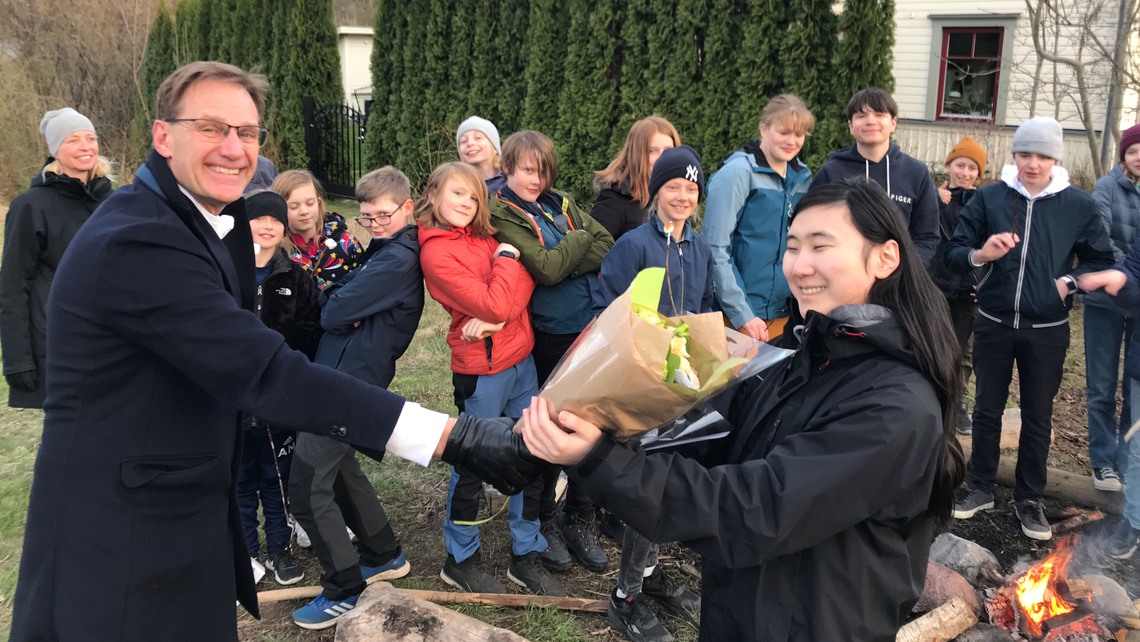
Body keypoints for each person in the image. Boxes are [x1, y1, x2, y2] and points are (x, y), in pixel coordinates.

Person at [10, 61, 543, 642]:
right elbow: (262, 369)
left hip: (179, 510)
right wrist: (454, 437)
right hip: (121, 539)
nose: (233, 148)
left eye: (247, 132)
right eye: (211, 127)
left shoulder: (204, 219)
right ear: (164, 135)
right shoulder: (136, 239)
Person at [521, 178, 966, 642]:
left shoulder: (898, 405)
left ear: (885, 257)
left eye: (820, 245)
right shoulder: (798, 353)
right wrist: (589, 421)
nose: (800, 265)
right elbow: (698, 433)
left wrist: (600, 461)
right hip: (741, 610)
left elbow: (754, 511)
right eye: (792, 247)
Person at [946, 116, 1117, 541]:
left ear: (1055, 158)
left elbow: (1101, 259)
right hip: (993, 323)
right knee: (986, 408)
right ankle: (980, 486)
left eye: (1042, 155)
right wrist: (981, 256)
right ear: (1014, 155)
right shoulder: (989, 198)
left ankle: (1030, 498)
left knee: (1038, 415)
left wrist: (1070, 282)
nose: (1032, 163)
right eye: (1024, 154)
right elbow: (953, 251)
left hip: (1048, 328)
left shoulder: (1079, 205)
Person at [419, 162, 566, 596]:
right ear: (433, 197)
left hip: (520, 359)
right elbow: (498, 296)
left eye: (472, 196)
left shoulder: (483, 235)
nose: (466, 203)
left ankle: (526, 551)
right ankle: (460, 558)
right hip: (482, 373)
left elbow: (520, 285)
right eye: (456, 194)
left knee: (532, 450)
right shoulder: (437, 252)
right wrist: (504, 272)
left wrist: (497, 318)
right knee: (472, 463)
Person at [289, 166, 423, 630]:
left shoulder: (397, 259)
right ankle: (382, 554)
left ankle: (343, 587)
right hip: (343, 376)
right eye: (365, 217)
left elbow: (334, 311)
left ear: (407, 207)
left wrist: (336, 298)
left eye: (383, 214)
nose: (373, 223)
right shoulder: (383, 249)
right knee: (340, 469)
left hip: (348, 384)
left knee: (306, 484)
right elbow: (344, 302)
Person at [591, 145, 709, 642]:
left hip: (681, 386)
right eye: (672, 187)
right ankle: (625, 597)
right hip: (641, 386)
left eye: (690, 188)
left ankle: (650, 573)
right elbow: (606, 311)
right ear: (656, 190)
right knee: (651, 488)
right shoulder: (633, 246)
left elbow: (702, 308)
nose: (682, 196)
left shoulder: (698, 248)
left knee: (673, 481)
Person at [489, 130, 615, 574]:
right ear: (507, 168)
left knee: (592, 418)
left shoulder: (557, 201)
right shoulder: (501, 212)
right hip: (551, 331)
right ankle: (542, 519)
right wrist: (577, 243)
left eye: (542, 171)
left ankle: (577, 516)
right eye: (526, 170)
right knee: (551, 423)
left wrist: (568, 249)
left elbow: (607, 244)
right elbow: (545, 269)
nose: (535, 179)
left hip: (589, 322)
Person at [0, 108, 113, 409]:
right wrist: (18, 361)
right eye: (73, 140)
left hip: (113, 343)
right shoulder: (31, 206)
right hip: (59, 344)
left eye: (90, 138)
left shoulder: (115, 202)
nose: (85, 147)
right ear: (55, 150)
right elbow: (13, 287)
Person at [236, 190, 321, 587]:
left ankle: (279, 549)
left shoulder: (295, 277)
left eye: (275, 220)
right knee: (240, 479)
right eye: (258, 219)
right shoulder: (224, 271)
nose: (268, 226)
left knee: (275, 476)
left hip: (277, 395)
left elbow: (308, 332)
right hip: (232, 397)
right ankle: (245, 551)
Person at [704, 94, 815, 342]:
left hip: (785, 316)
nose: (791, 141)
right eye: (783, 132)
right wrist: (741, 313)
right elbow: (715, 247)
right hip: (740, 317)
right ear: (763, 128)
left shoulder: (803, 178)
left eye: (799, 135)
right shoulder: (738, 173)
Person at [813, 88, 940, 263]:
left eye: (879, 114)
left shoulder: (916, 173)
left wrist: (906, 271)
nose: (870, 121)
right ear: (850, 126)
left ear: (893, 123)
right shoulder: (831, 173)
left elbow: (927, 236)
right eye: (861, 116)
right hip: (844, 276)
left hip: (899, 280)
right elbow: (814, 228)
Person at [1082, 123, 1140, 492]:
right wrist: (1126, 275)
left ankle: (1125, 459)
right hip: (1104, 300)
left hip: (1138, 303)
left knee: (1133, 385)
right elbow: (1101, 239)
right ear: (1123, 156)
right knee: (1101, 386)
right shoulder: (1105, 188)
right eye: (1133, 151)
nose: (1139, 158)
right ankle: (1103, 462)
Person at [928, 136, 988, 435]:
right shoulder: (935, 197)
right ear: (949, 166)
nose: (964, 172)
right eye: (959, 165)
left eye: (971, 168)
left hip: (969, 287)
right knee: (933, 342)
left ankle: (957, 402)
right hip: (936, 283)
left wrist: (983, 282)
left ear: (979, 174)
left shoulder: (985, 202)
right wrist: (933, 200)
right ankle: (933, 399)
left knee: (963, 350)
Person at [589, 115, 680, 241]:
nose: (662, 158)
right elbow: (591, 252)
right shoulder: (615, 200)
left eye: (668, 150)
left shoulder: (676, 198)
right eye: (652, 151)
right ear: (637, 154)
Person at [272, 169, 363, 290]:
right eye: (294, 207)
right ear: (279, 208)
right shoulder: (274, 250)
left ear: (319, 204)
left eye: (310, 203)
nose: (304, 211)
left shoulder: (346, 243)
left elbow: (364, 284)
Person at [457, 115, 506, 193]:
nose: (470, 143)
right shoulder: (457, 186)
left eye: (478, 138)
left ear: (494, 147)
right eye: (464, 141)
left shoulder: (512, 181)